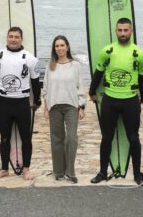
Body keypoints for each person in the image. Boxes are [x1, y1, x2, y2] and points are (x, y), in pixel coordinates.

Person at [89, 17, 143, 186]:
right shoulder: (107, 51)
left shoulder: (140, 55)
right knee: (106, 137)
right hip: (110, 100)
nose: (123, 33)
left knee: (134, 137)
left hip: (130, 101)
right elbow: (98, 72)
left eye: (126, 30)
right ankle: (102, 172)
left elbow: (142, 77)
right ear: (116, 31)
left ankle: (137, 174)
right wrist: (92, 91)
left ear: (131, 31)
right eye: (120, 30)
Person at [0, 27, 41, 180]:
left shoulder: (30, 58)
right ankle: (4, 169)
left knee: (26, 138)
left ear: (21, 39)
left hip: (22, 103)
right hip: (4, 103)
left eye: (16, 37)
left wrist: (37, 100)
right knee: (4, 138)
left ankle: (26, 169)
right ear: (7, 38)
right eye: (10, 36)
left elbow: (35, 82)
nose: (13, 39)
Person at [43, 35, 86, 183]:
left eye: (62, 45)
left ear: (67, 47)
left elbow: (80, 86)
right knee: (56, 139)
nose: (60, 48)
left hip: (71, 106)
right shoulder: (50, 65)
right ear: (54, 49)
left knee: (71, 138)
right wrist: (45, 106)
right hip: (54, 105)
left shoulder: (76, 65)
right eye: (57, 46)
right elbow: (46, 88)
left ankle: (70, 172)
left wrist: (82, 106)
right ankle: (59, 171)